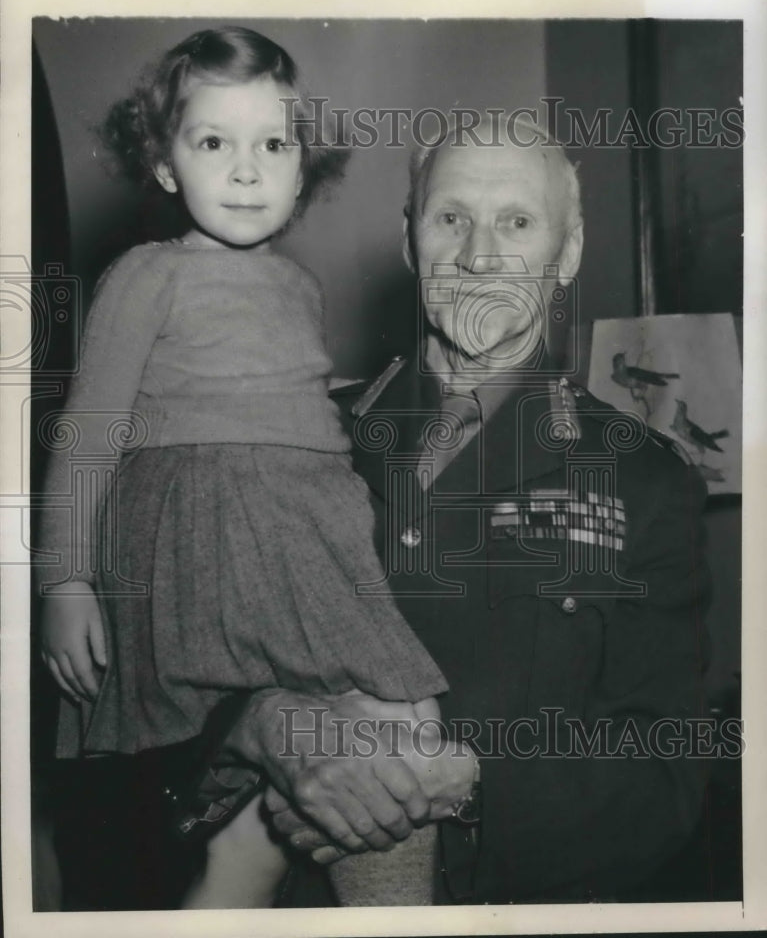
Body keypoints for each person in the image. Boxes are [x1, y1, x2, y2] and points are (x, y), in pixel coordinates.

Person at [212, 111, 711, 904]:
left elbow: (666, 779)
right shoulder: (290, 440)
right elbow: (161, 681)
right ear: (412, 240)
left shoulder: (643, 483)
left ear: (568, 252)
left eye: (515, 221)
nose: (480, 256)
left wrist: (460, 784)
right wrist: (263, 728)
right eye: (452, 219)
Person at [36, 26, 455, 909]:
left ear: (305, 168)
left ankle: (376, 901)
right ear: (163, 164)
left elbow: (289, 402)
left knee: (404, 711)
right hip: (202, 535)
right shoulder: (146, 275)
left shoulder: (298, 287)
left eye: (272, 144)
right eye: (212, 142)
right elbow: (88, 431)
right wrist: (64, 579)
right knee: (300, 733)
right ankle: (230, 895)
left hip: (307, 528)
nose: (245, 169)